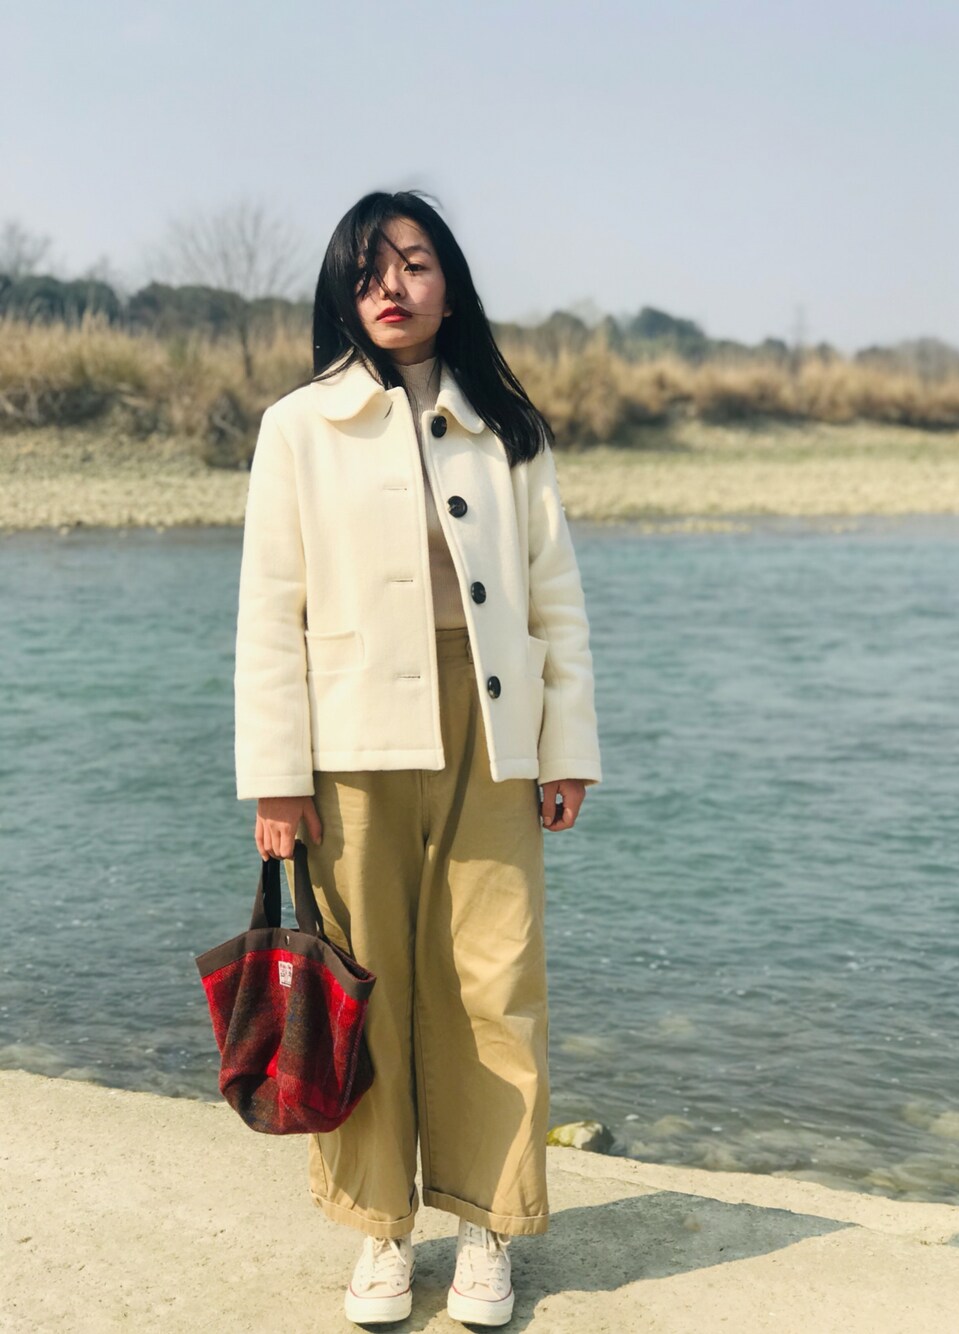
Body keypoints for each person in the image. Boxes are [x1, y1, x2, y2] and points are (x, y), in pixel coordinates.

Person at [233, 189, 602, 1327]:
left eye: (415, 264)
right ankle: (380, 1229)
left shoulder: (507, 428)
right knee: (364, 984)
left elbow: (553, 597)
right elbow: (270, 611)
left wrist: (565, 747)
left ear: (452, 286)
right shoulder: (299, 426)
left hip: (493, 725)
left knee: (497, 979)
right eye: (369, 270)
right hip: (349, 737)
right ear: (343, 293)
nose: (392, 287)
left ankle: (488, 1224)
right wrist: (277, 777)